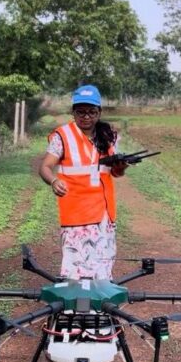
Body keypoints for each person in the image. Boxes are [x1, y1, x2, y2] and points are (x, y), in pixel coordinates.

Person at [38, 85, 127, 280]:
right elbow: (45, 167)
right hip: (76, 213)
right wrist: (53, 181)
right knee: (76, 266)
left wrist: (121, 166)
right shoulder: (62, 136)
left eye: (92, 112)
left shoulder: (108, 135)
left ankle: (99, 307)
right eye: (81, 112)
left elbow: (116, 173)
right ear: (73, 112)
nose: (86, 117)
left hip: (104, 213)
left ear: (99, 112)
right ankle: (74, 309)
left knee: (103, 263)